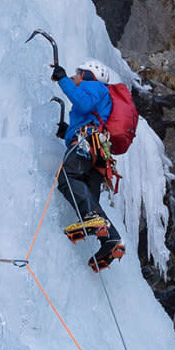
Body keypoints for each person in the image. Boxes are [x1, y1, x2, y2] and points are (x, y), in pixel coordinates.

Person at [51, 59, 125, 270]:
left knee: (67, 178)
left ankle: (93, 218)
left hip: (87, 144)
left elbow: (83, 103)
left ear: (88, 74)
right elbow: (89, 114)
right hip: (96, 155)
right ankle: (111, 240)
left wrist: (62, 79)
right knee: (88, 198)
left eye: (78, 73)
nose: (75, 76)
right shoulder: (101, 95)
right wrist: (67, 132)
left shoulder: (94, 86)